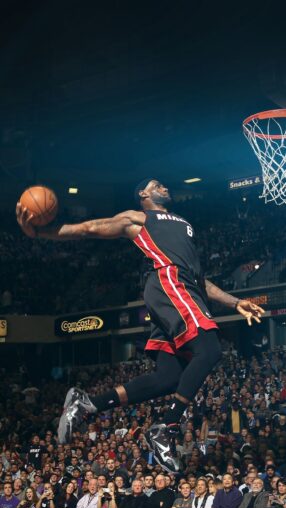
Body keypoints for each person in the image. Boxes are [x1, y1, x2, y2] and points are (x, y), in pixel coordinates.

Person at [17, 180, 264, 473]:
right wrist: (39, 232)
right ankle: (166, 427)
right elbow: (88, 228)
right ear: (144, 195)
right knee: (209, 351)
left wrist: (235, 303)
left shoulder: (184, 224)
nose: (163, 185)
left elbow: (198, 279)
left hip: (182, 286)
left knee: (169, 377)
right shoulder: (139, 218)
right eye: (155, 184)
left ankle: (87, 405)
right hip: (168, 283)